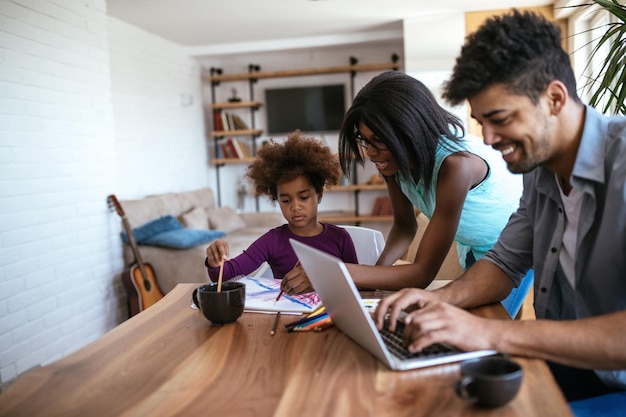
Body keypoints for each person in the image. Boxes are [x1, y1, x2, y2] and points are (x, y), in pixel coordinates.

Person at [373, 9, 626, 411]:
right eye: (480, 122)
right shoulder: (539, 170)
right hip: (571, 363)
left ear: (555, 98)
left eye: (500, 119)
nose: (488, 139)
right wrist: (440, 302)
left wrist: (491, 334)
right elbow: (505, 263)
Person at [332, 69, 532, 317]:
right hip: (473, 244)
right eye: (365, 140)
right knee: (482, 322)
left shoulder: (456, 166)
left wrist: (342, 273)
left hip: (511, 247)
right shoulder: (393, 161)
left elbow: (423, 273)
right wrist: (374, 277)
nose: (370, 152)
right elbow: (405, 227)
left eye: (379, 140)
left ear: (408, 130)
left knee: (487, 325)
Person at [205, 130, 358, 284]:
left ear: (319, 195)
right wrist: (215, 261)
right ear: (276, 199)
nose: (295, 206)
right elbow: (226, 274)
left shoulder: (340, 238)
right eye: (286, 200)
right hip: (286, 308)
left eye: (303, 197)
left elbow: (358, 284)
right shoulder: (273, 240)